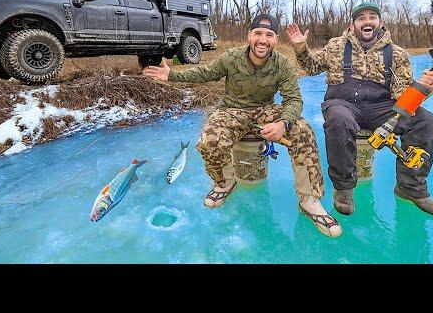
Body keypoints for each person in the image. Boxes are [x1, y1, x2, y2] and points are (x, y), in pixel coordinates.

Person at [143, 14, 342, 237]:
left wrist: (283, 123)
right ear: (249, 35)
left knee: (303, 132)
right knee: (209, 141)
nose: (263, 40)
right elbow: (205, 73)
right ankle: (224, 183)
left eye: (269, 35)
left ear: (276, 40)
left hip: (266, 110)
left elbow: (293, 100)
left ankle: (309, 200)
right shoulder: (231, 57)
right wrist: (171, 75)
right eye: (258, 33)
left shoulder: (283, 64)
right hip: (232, 110)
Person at [286, 1, 433, 217]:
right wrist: (300, 48)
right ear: (353, 24)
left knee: (425, 121)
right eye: (361, 18)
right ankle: (343, 188)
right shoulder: (336, 46)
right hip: (342, 103)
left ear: (380, 22)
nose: (367, 21)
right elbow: (311, 67)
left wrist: (426, 88)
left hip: (382, 107)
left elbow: (403, 95)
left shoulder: (397, 54)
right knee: (339, 120)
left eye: (372, 17)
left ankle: (411, 187)